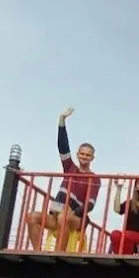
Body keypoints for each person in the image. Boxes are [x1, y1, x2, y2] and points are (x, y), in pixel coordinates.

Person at [24, 107, 100, 251]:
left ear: (92, 158)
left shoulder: (94, 179)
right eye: (82, 154)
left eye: (88, 155)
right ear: (77, 154)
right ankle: (38, 252)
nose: (84, 157)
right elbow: (63, 146)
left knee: (63, 216)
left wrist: (72, 212)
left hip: (77, 218)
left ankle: (59, 254)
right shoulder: (70, 167)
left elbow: (90, 205)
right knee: (32, 216)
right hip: (58, 211)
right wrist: (62, 120)